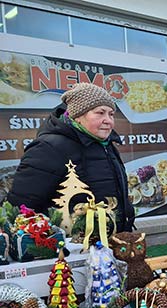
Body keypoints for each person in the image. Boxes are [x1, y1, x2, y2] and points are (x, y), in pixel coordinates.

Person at [7, 83, 135, 232]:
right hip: (72, 250)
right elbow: (21, 208)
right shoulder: (49, 148)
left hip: (112, 243)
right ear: (78, 115)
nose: (108, 120)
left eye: (111, 114)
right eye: (100, 113)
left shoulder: (106, 145)